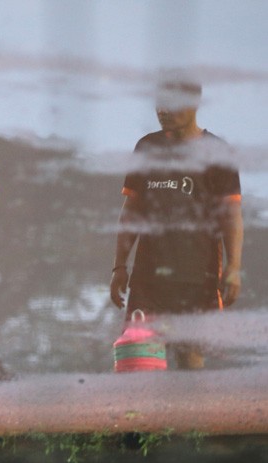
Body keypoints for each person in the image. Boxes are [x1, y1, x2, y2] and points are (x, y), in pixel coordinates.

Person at [109, 73, 243, 370]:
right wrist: (120, 266)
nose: (162, 111)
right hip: (148, 278)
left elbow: (231, 216)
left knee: (189, 360)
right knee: (138, 360)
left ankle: (188, 415)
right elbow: (131, 210)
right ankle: (141, 416)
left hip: (197, 277)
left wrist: (233, 268)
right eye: (159, 104)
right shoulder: (147, 148)